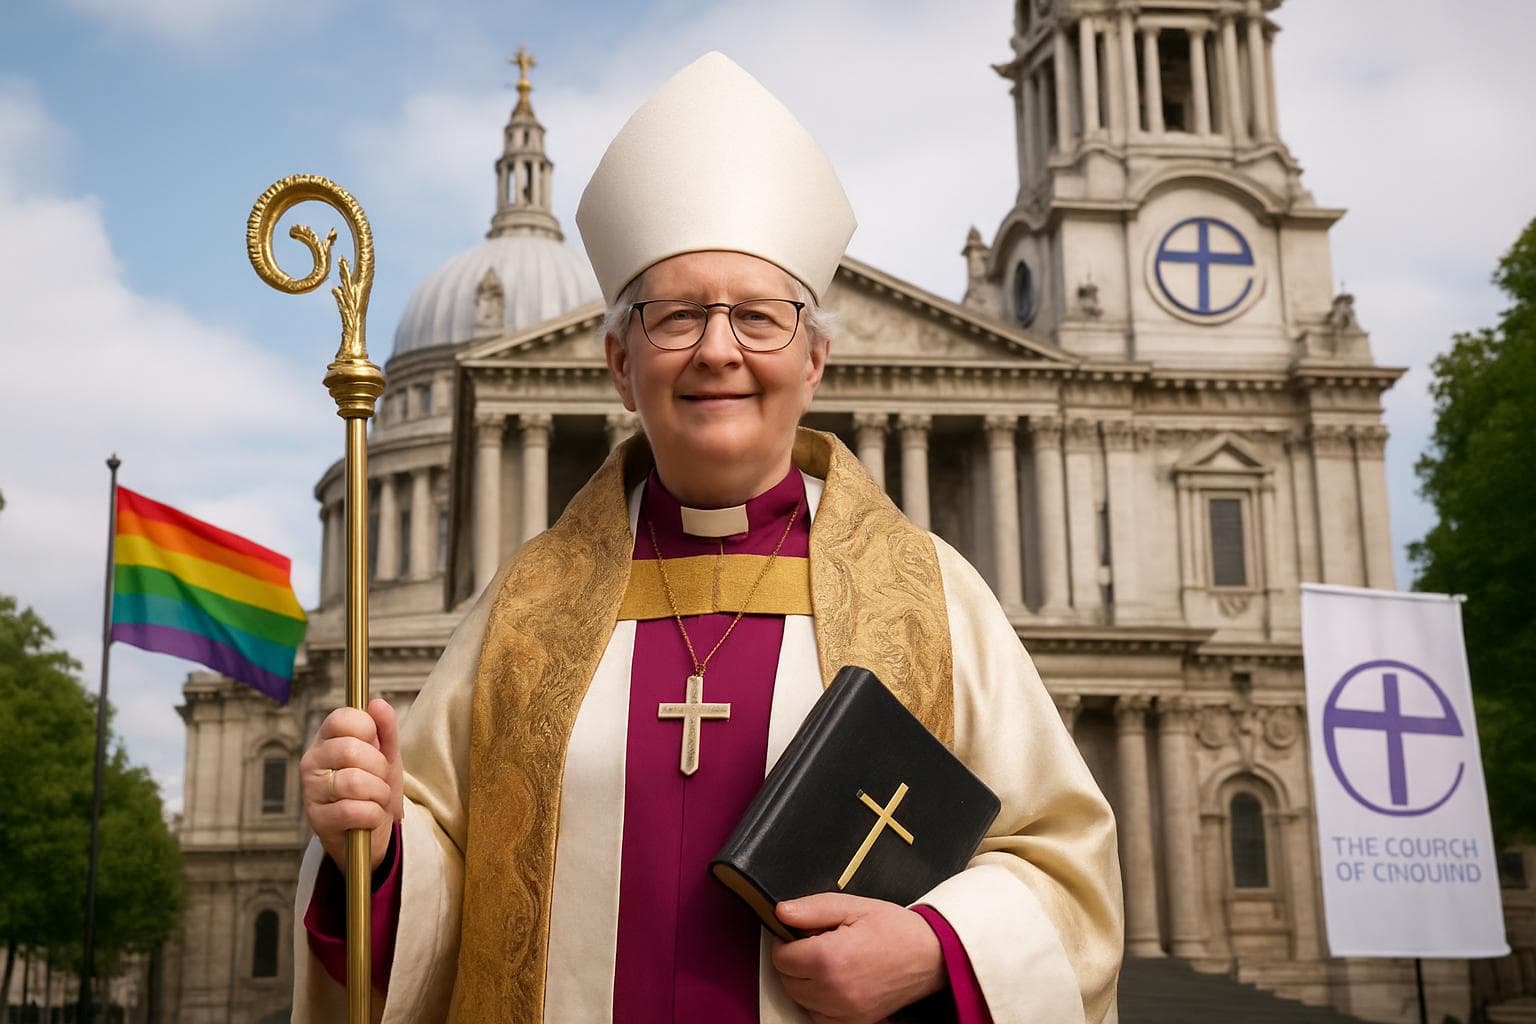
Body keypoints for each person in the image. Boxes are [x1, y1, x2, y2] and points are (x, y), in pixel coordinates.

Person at [292, 52, 1123, 1024]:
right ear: (619, 363)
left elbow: (1067, 876)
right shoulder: (524, 608)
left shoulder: (933, 595)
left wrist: (935, 946)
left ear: (815, 362)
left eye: (759, 319)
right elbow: (448, 878)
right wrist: (374, 845)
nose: (718, 349)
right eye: (678, 316)